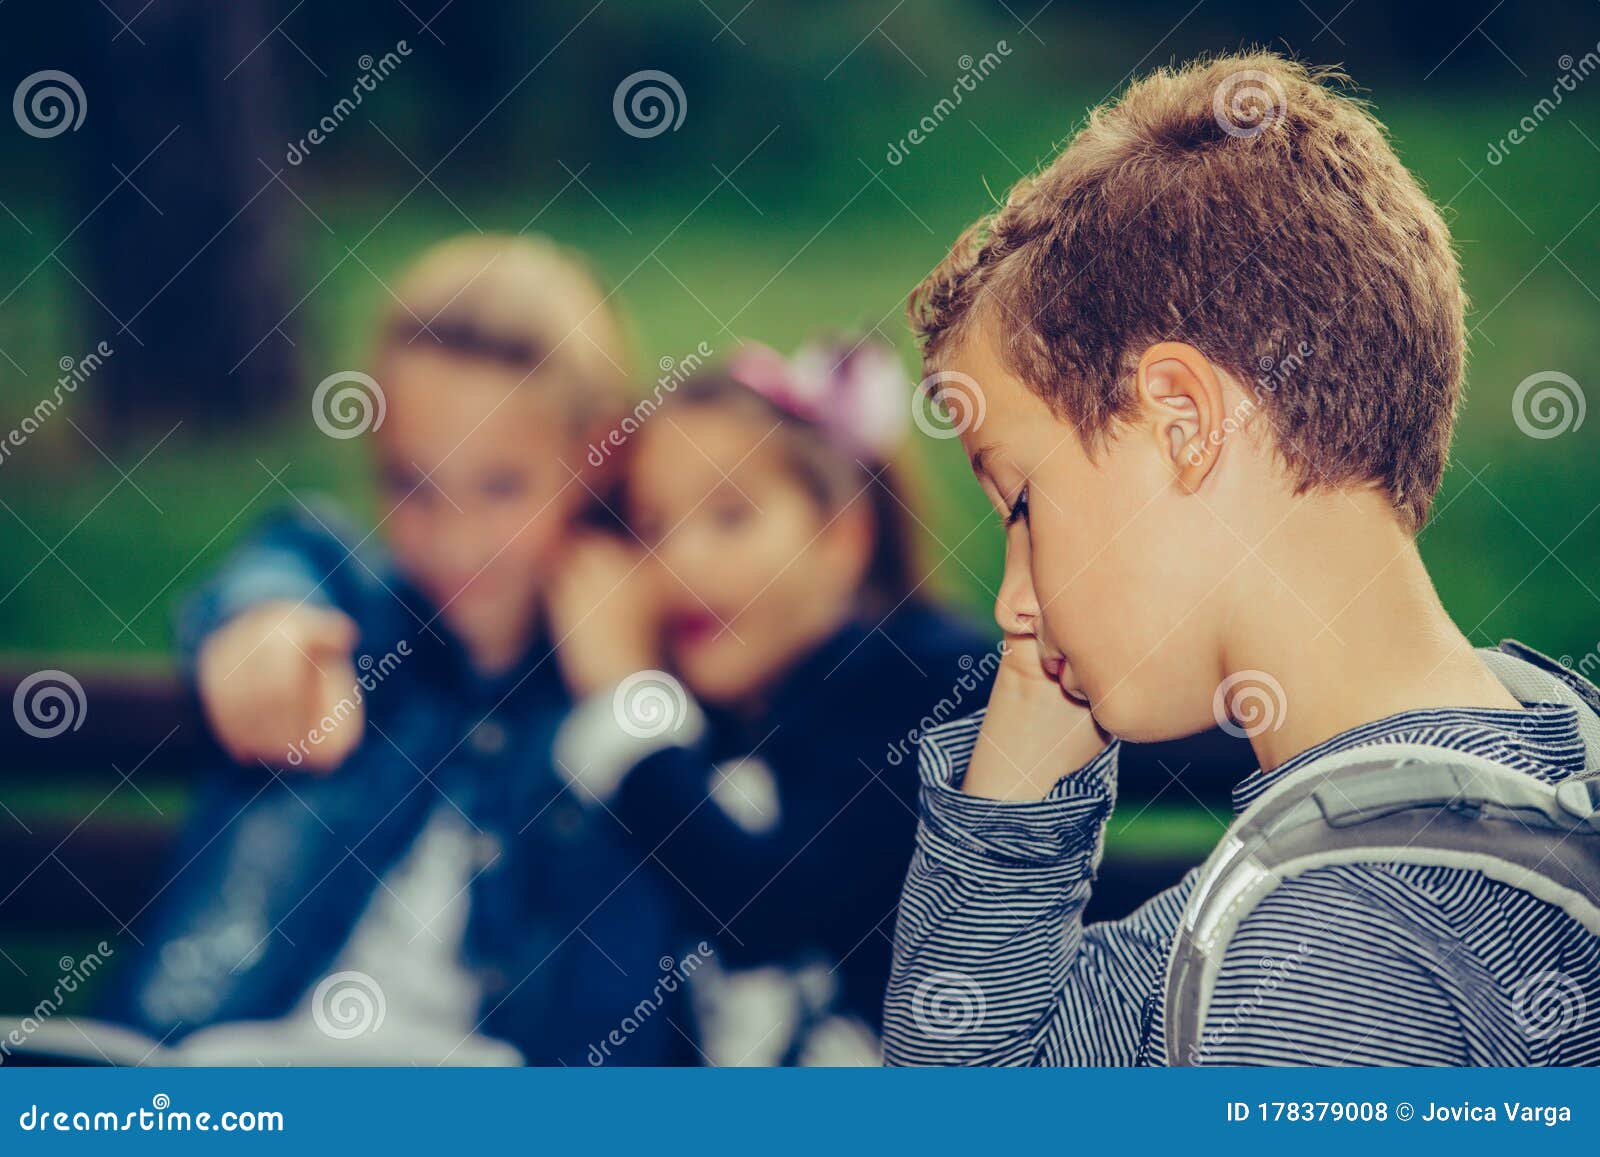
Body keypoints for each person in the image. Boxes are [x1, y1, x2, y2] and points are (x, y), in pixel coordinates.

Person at [881, 51, 1600, 1066]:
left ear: (1181, 418)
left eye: (1023, 506)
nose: (1011, 606)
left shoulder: (1323, 958)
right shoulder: (1541, 762)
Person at [105, 234, 695, 1066]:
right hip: (220, 1070)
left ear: (597, 459)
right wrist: (261, 623)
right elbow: (293, 558)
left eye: (500, 486)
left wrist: (621, 692)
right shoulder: (352, 619)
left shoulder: (626, 683)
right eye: (412, 484)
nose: (453, 541)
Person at [546, 339, 997, 1065]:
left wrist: (624, 704)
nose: (681, 559)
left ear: (841, 534)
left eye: (730, 516)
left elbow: (772, 908)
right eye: (652, 526)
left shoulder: (928, 681)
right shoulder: (708, 722)